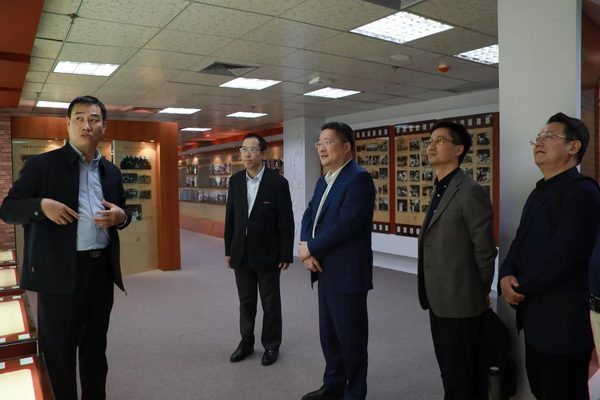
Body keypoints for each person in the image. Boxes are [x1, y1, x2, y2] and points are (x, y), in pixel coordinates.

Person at [0, 95, 130, 400]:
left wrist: (121, 217)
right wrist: (41, 206)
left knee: (95, 349)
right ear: (68, 124)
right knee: (58, 352)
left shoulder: (111, 172)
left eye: (94, 119)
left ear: (104, 126)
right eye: (80, 118)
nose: (87, 125)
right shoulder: (41, 166)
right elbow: (8, 209)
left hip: (100, 272)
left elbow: (122, 211)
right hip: (58, 275)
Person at [499, 112, 600, 400]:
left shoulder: (583, 192)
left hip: (564, 323)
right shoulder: (538, 192)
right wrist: (505, 274)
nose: (539, 142)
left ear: (573, 147)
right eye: (538, 137)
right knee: (540, 389)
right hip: (535, 317)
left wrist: (521, 286)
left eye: (549, 136)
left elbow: (565, 257)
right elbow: (518, 242)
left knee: (563, 391)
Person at [417, 120, 497, 400]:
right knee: (449, 371)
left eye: (439, 140)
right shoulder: (440, 189)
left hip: (461, 301)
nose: (431, 145)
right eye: (430, 140)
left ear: (459, 149)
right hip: (438, 298)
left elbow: (484, 250)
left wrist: (479, 290)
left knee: (462, 375)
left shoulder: (469, 190)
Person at [299, 122, 375, 400]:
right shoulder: (324, 180)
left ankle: (354, 393)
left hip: (347, 273)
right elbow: (309, 215)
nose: (321, 148)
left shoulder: (358, 179)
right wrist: (307, 249)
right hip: (325, 269)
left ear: (346, 148)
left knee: (351, 339)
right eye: (319, 143)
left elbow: (347, 225)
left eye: (328, 142)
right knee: (329, 336)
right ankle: (333, 386)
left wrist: (310, 248)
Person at [224, 133, 294, 366]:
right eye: (243, 149)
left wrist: (285, 253)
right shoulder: (235, 181)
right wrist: (228, 250)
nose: (247, 154)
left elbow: (286, 221)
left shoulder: (278, 183)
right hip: (241, 253)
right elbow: (231, 218)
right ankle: (246, 343)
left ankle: (271, 345)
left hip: (268, 254)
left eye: (252, 149)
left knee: (270, 303)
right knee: (246, 302)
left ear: (262, 153)